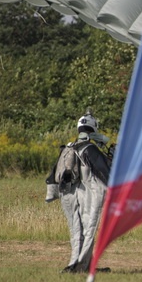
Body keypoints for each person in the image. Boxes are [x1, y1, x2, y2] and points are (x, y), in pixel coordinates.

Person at [45, 110, 113, 273]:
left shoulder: (69, 147)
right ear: (94, 128)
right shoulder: (90, 148)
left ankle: (81, 265)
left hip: (67, 195)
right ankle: (79, 267)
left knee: (77, 231)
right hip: (87, 195)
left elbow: (52, 176)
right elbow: (106, 172)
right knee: (88, 231)